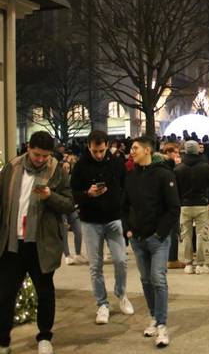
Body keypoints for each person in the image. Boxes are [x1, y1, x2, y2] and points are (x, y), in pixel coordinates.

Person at [0, 131, 74, 354]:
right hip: (12, 243)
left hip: (42, 243)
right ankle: (3, 340)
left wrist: (50, 196)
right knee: (4, 294)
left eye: (45, 156)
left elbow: (69, 204)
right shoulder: (11, 168)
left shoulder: (57, 171)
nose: (41, 160)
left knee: (45, 292)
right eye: (36, 154)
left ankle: (44, 336)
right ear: (28, 148)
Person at [121, 136, 180, 348]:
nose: (131, 151)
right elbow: (125, 205)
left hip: (157, 238)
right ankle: (154, 317)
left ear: (147, 150)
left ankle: (162, 325)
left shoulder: (164, 174)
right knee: (145, 279)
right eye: (131, 148)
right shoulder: (131, 176)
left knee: (158, 278)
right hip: (137, 238)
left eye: (135, 148)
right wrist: (127, 228)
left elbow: (174, 208)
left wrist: (160, 234)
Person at [71, 130, 133, 325]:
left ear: (107, 145)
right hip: (90, 221)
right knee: (95, 265)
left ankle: (121, 293)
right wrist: (88, 194)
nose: (98, 154)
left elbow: (126, 188)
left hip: (114, 219)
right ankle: (102, 304)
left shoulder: (116, 162)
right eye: (94, 150)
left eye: (101, 150)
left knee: (121, 260)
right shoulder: (80, 165)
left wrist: (125, 215)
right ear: (88, 146)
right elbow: (73, 193)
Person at [174, 140, 209, 275]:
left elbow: (176, 189)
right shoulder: (205, 166)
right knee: (202, 234)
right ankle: (201, 264)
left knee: (186, 235)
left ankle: (188, 264)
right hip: (201, 203)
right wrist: (208, 199)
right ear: (197, 150)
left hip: (185, 205)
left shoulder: (178, 168)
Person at [162, 143, 184, 269]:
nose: (177, 155)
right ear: (168, 153)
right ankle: (172, 259)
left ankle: (168, 258)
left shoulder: (161, 165)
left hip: (164, 203)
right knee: (173, 231)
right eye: (175, 152)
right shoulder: (169, 167)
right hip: (170, 203)